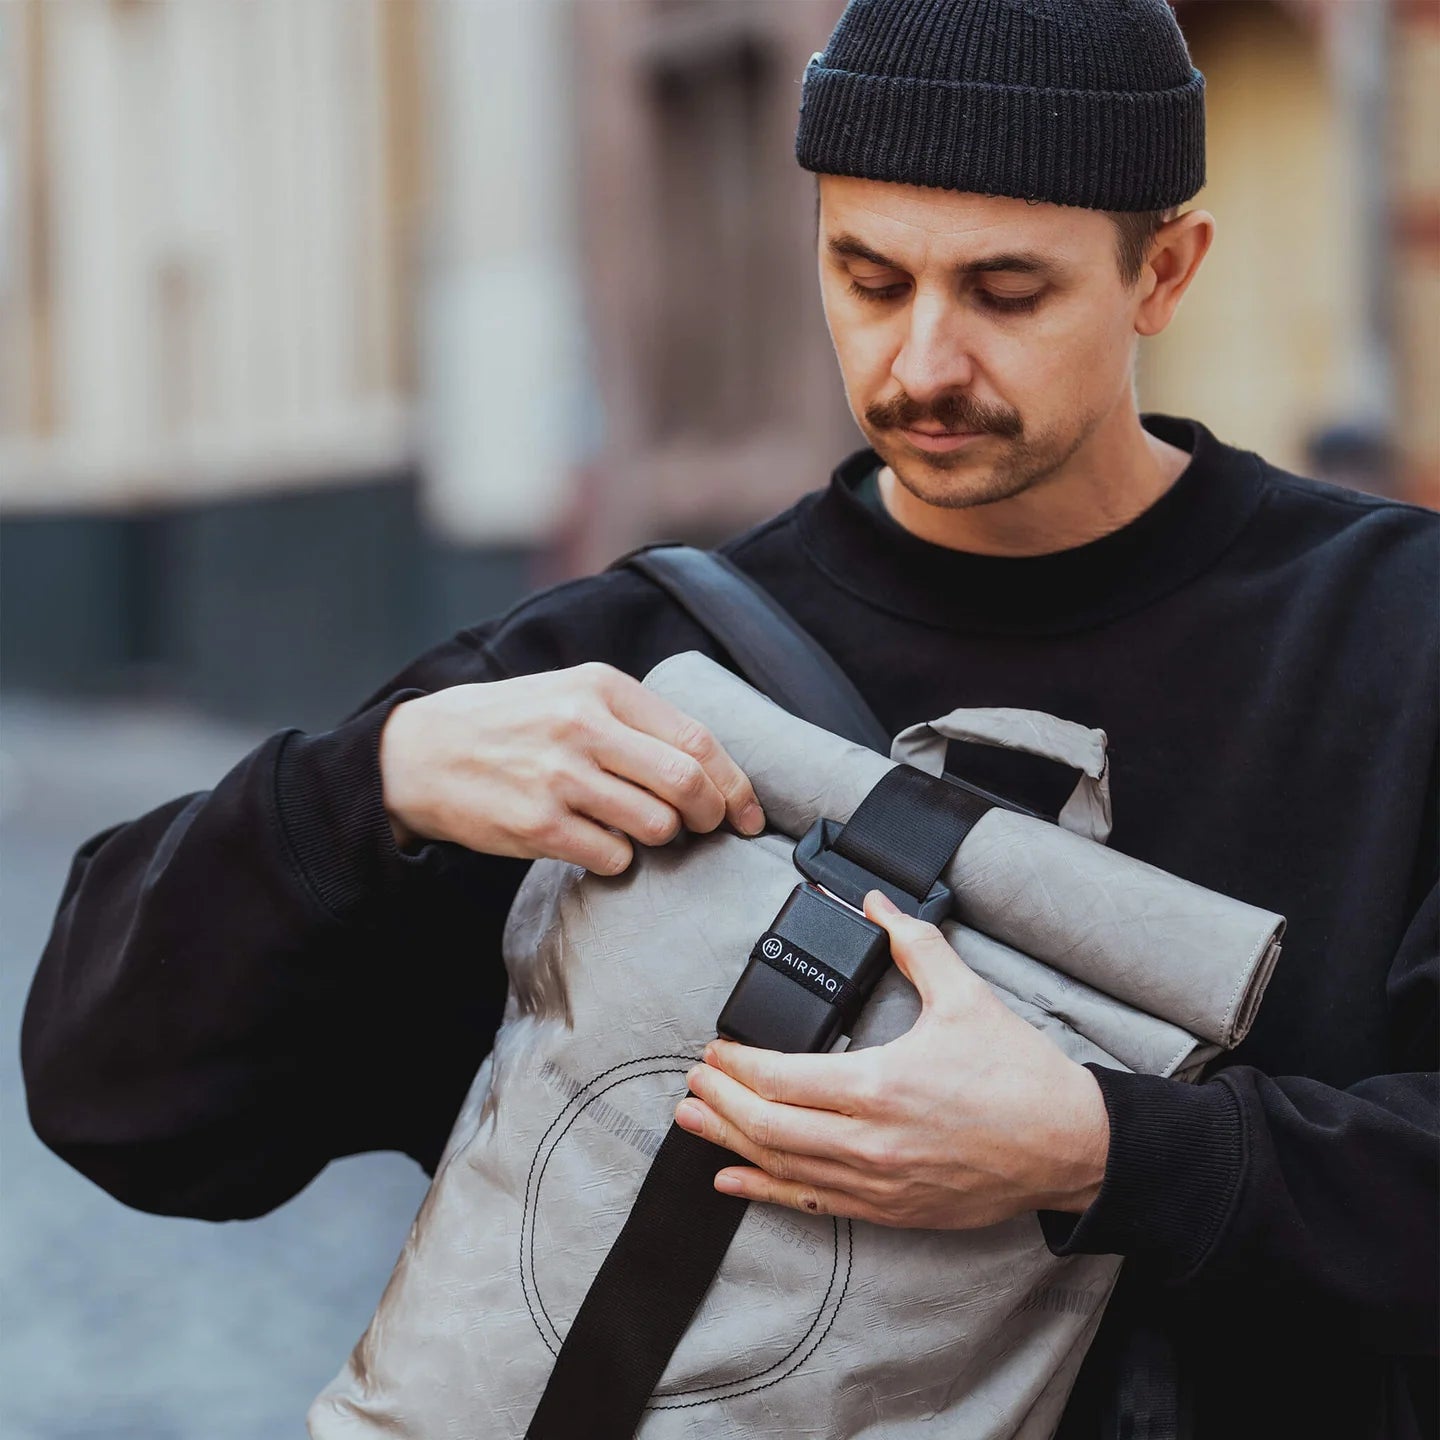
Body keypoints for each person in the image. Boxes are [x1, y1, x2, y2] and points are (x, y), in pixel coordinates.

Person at [22, 1, 1437, 1436]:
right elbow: (119, 1103)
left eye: (1008, 293)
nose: (924, 362)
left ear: (1166, 271)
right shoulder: (638, 663)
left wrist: (1105, 1150)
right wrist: (366, 786)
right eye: (868, 276)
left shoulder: (1400, 640)